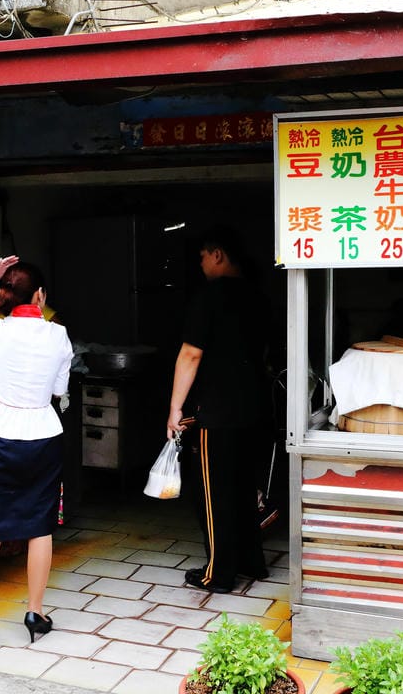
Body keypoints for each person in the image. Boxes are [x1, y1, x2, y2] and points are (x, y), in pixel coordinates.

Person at [0, 255, 74, 648]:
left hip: (0, 434)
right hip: (42, 435)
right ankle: (35, 613)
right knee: (40, 528)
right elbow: (59, 391)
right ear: (39, 296)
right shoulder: (59, 336)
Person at [166, 226, 269, 594]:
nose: (200, 263)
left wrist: (175, 409)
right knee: (244, 488)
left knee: (214, 493)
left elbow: (191, 353)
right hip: (255, 408)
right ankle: (252, 563)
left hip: (218, 412)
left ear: (218, 254)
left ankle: (219, 573)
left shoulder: (209, 297)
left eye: (202, 256)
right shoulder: (259, 295)